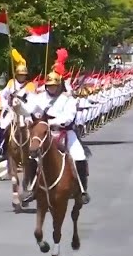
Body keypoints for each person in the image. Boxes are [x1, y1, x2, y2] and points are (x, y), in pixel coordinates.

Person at [15, 48, 90, 204]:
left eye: (54, 86)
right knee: (32, 157)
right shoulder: (39, 98)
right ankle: (31, 189)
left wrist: (52, 122)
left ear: (59, 85)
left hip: (64, 132)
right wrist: (17, 107)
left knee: (79, 155)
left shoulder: (67, 99)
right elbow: (27, 110)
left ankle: (83, 190)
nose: (51, 88)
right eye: (49, 85)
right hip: (45, 133)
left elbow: (68, 118)